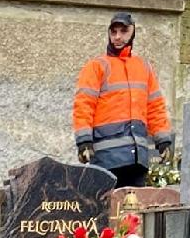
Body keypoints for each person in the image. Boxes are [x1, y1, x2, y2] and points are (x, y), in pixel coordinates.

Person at [72, 12, 173, 188]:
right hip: (106, 158)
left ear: (132, 32)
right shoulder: (97, 66)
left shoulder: (143, 67)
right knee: (109, 211)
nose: (118, 37)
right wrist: (84, 142)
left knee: (133, 213)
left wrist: (163, 140)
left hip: (137, 159)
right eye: (114, 32)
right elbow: (83, 105)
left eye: (123, 31)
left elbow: (155, 107)